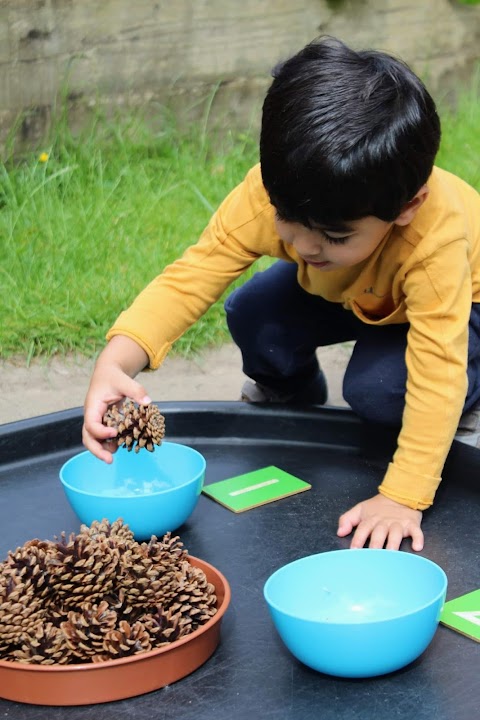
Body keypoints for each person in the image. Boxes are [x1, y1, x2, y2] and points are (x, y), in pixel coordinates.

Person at [82, 36, 480, 552]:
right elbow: (194, 274)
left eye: (334, 234)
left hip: (458, 309)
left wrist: (403, 496)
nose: (302, 244)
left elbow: (436, 364)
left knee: (378, 391)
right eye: (287, 220)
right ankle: (293, 403)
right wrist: (116, 362)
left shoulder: (435, 240)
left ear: (406, 206)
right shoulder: (277, 193)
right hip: (357, 288)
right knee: (254, 314)